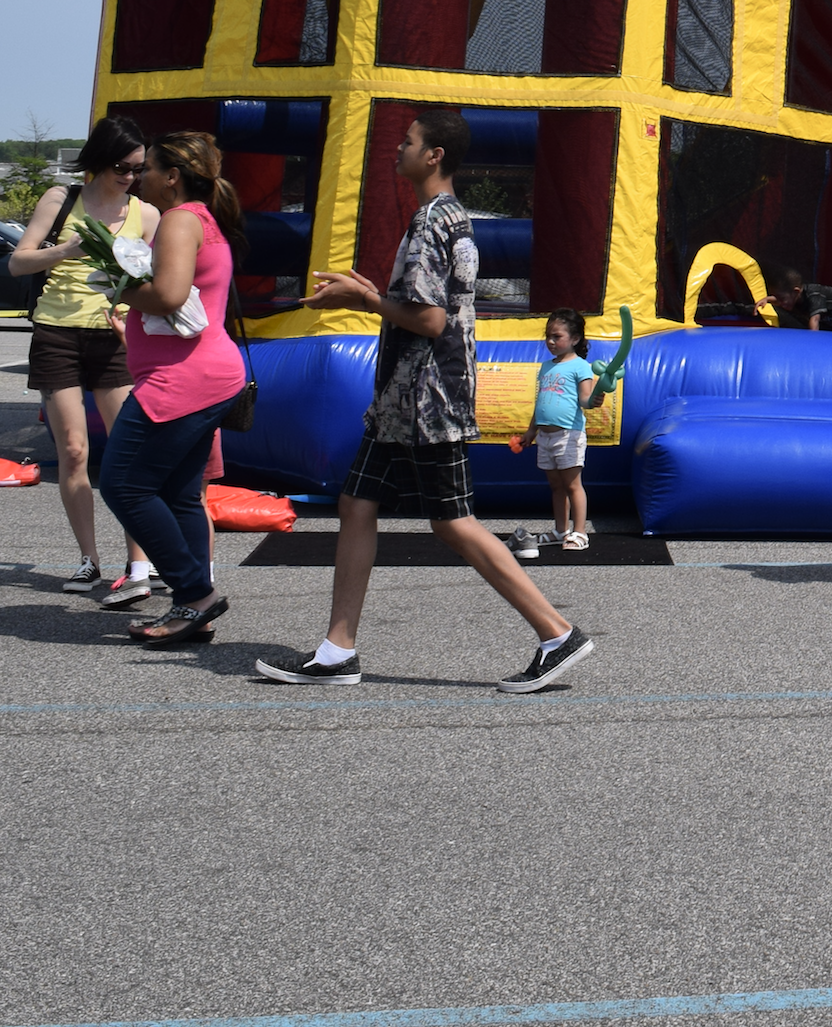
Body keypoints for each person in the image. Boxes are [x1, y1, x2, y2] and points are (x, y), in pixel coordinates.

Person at [255, 109, 595, 693]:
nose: (398, 148)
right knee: (357, 503)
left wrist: (363, 303)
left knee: (453, 523)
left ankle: (557, 633)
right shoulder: (450, 219)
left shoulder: (431, 224)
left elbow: (431, 319)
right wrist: (365, 290)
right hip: (404, 400)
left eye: (408, 142)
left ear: (433, 155)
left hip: (422, 400)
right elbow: (431, 307)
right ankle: (337, 649)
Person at [95, 131, 251, 646]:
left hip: (183, 382)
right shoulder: (205, 220)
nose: (140, 179)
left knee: (124, 485)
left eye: (148, 169)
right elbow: (187, 303)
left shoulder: (182, 220)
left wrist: (114, 282)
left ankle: (194, 592)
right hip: (205, 375)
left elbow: (167, 294)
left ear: (173, 176)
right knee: (180, 493)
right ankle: (193, 608)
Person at [9, 115, 159, 603]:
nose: (130, 176)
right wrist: (67, 249)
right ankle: (89, 560)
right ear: (97, 160)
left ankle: (138, 564)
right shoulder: (61, 200)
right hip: (57, 333)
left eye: (138, 168)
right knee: (74, 451)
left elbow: (153, 283)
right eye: (122, 166)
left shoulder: (147, 214)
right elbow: (18, 262)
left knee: (129, 453)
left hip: (114, 339)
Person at [528, 309, 599, 551]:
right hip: (545, 437)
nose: (550, 341)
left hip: (568, 434)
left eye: (557, 336)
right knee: (556, 486)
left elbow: (585, 400)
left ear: (575, 339)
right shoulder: (546, 366)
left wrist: (594, 401)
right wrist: (531, 431)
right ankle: (561, 530)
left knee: (572, 485)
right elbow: (541, 402)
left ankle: (580, 533)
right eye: (548, 336)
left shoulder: (580, 366)